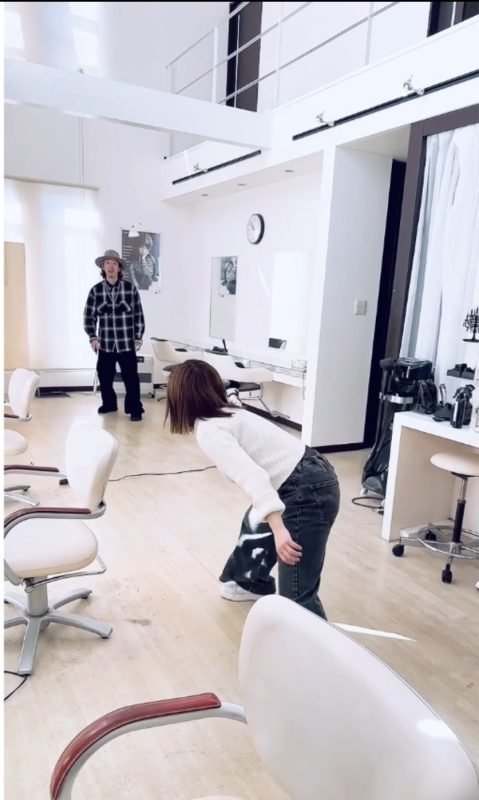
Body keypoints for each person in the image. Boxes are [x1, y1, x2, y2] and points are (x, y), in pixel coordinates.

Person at [165, 360, 340, 619]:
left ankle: (317, 640)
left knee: (296, 599)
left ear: (178, 398)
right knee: (255, 520)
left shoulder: (210, 429)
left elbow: (253, 477)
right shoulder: (226, 411)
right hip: (307, 474)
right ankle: (248, 582)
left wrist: (279, 529)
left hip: (307, 491)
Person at [84, 249, 145, 421]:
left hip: (126, 343)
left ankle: (134, 408)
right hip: (106, 344)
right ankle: (109, 404)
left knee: (131, 378)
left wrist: (138, 337)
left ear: (119, 267)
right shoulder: (95, 291)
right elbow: (89, 316)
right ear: (103, 267)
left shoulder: (130, 289)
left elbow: (138, 315)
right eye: (107, 263)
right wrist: (93, 337)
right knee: (104, 377)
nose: (111, 266)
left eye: (114, 263)